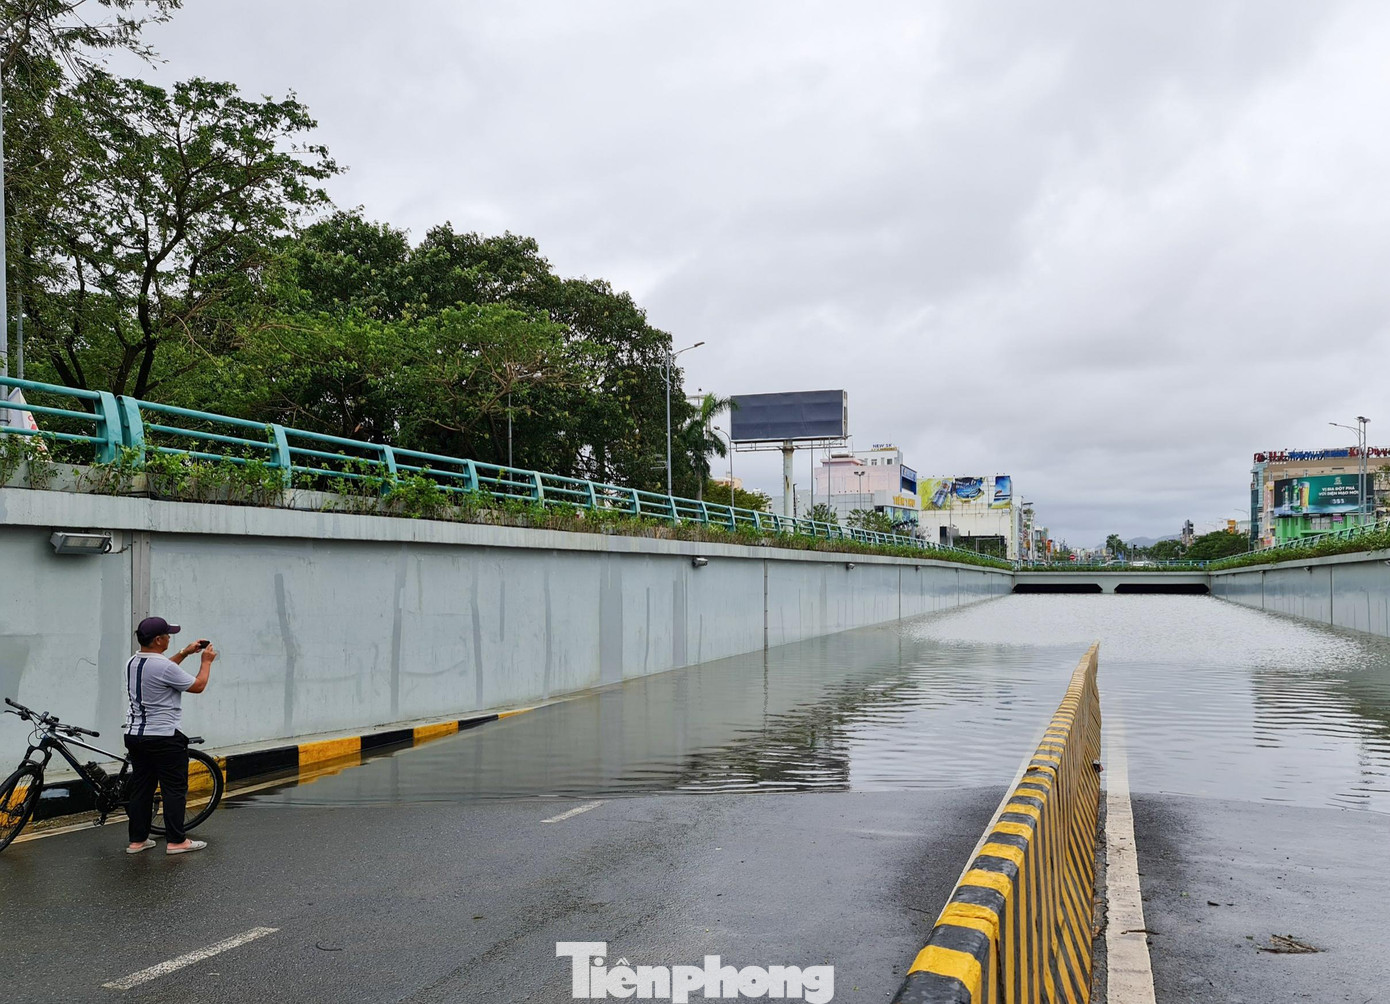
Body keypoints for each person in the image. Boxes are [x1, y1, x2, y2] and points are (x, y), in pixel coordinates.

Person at [123, 616, 217, 855]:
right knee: (174, 789)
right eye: (167, 635)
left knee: (142, 789)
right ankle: (176, 841)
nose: (169, 638)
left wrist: (185, 652)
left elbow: (165, 670)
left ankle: (137, 841)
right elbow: (197, 685)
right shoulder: (163, 666)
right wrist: (206, 662)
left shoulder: (133, 662)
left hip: (135, 735)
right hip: (164, 736)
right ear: (158, 640)